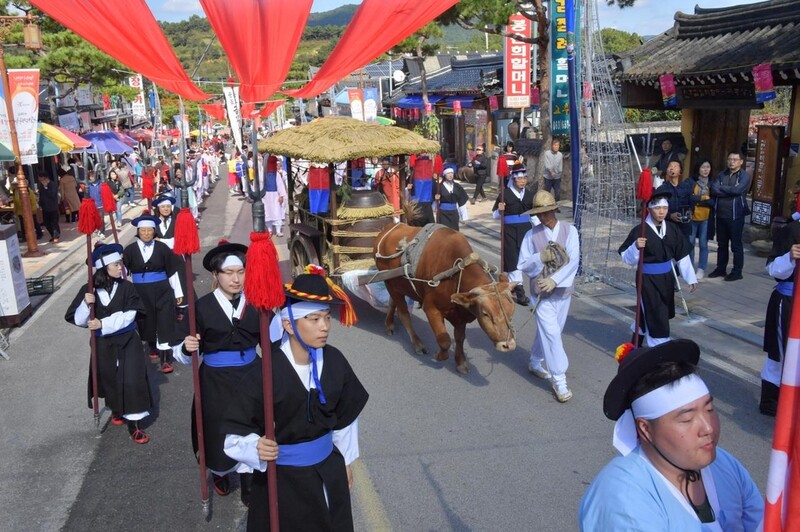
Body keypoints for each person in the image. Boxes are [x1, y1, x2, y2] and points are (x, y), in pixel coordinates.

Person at [221, 267, 369, 531]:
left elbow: (345, 420)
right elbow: (233, 434)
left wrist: (345, 461)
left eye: (326, 317)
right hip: (284, 481)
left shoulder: (335, 361)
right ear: (289, 324)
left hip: (329, 471)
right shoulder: (265, 373)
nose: (324, 327)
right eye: (313, 319)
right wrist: (256, 447)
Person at [579, 339, 763, 530]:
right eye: (687, 419)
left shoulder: (725, 464)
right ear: (645, 429)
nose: (708, 428)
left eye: (709, 410)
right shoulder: (622, 499)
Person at [178, 241, 259, 503]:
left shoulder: (258, 304)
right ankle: (221, 471)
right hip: (215, 381)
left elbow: (273, 344)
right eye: (229, 273)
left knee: (252, 428)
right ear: (216, 276)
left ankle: (249, 483)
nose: (236, 279)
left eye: (241, 272)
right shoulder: (202, 307)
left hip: (250, 375)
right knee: (218, 430)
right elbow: (186, 354)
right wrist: (187, 347)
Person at [64, 243, 153, 444]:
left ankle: (135, 424)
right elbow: (77, 320)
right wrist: (86, 304)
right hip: (103, 343)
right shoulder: (88, 290)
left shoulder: (127, 287)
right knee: (109, 379)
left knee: (132, 378)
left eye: (120, 263)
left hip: (128, 340)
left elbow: (131, 314)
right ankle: (117, 409)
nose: (120, 267)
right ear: (104, 268)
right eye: (116, 264)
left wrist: (103, 323)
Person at [517, 190, 579, 403]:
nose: (544, 217)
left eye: (547, 212)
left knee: (550, 332)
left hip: (562, 292)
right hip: (540, 295)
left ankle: (535, 360)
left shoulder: (571, 231)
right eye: (540, 213)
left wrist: (555, 280)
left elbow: (573, 262)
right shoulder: (531, 235)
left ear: (555, 209)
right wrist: (539, 258)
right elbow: (523, 264)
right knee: (552, 334)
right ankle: (560, 381)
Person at [618, 185, 697, 347]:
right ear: (650, 209)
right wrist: (635, 247)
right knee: (656, 315)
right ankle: (659, 350)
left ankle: (634, 344)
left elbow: (682, 254)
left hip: (667, 279)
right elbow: (626, 258)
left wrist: (690, 278)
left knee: (656, 312)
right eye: (658, 208)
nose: (661, 212)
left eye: (665, 208)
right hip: (647, 280)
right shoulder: (640, 230)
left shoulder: (673, 229)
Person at [122, 214, 183, 373]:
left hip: (162, 289)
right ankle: (151, 345)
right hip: (140, 292)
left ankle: (166, 358)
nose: (147, 233)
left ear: (154, 232)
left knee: (164, 321)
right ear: (138, 231)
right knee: (146, 320)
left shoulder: (163, 248)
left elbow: (172, 271)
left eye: (150, 230)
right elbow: (123, 272)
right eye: (143, 230)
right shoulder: (130, 250)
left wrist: (178, 293)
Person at [759, 211, 800, 416]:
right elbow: (773, 269)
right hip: (788, 302)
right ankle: (770, 401)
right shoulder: (790, 231)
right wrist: (789, 257)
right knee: (779, 354)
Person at [493, 162, 535, 306]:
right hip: (509, 232)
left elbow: (534, 215)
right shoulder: (505, 194)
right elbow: (495, 216)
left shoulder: (530, 195)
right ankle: (521, 294)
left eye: (524, 178)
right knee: (513, 262)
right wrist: (500, 210)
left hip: (526, 231)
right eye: (519, 178)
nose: (522, 181)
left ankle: (511, 286)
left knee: (528, 260)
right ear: (513, 179)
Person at [708, 151, 751, 282]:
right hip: (721, 214)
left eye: (735, 159)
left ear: (741, 162)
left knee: (736, 245)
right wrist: (729, 190)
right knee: (722, 244)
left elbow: (738, 191)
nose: (732, 161)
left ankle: (737, 271)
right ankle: (721, 269)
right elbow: (714, 189)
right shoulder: (722, 174)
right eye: (730, 159)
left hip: (735, 215)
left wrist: (723, 188)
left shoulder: (744, 176)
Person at [688, 158, 714, 279]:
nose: (705, 170)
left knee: (703, 243)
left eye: (708, 167)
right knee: (691, 242)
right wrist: (704, 198)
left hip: (706, 218)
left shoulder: (712, 183)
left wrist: (698, 199)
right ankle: (690, 267)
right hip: (692, 216)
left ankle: (701, 268)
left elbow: (713, 201)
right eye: (703, 167)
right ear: (698, 168)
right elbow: (690, 198)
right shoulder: (691, 182)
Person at [663, 160, 693, 240]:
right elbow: (658, 208)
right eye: (670, 166)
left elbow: (691, 203)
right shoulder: (662, 189)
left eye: (675, 166)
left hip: (684, 226)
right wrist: (670, 216)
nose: (672, 168)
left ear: (680, 172)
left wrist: (690, 212)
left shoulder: (686, 187)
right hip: (668, 225)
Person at [435, 165, 469, 231]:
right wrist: (436, 199)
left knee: (454, 232)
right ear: (444, 175)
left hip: (454, 213)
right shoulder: (439, 187)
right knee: (444, 232)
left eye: (452, 173)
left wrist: (464, 217)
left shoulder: (457, 187)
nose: (450, 175)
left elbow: (462, 202)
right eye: (448, 173)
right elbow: (434, 201)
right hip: (443, 213)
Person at [261, 154, 288, 237]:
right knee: (267, 212)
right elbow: (259, 184)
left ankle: (278, 230)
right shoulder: (262, 173)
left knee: (277, 212)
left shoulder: (276, 174)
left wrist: (281, 196)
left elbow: (280, 185)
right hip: (265, 196)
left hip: (275, 195)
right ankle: (269, 230)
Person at [37, 174, 61, 243]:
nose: (41, 181)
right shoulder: (41, 185)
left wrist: (46, 187)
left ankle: (56, 236)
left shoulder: (52, 185)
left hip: (53, 207)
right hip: (45, 208)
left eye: (42, 180)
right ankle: (53, 235)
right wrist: (40, 204)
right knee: (46, 223)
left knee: (54, 222)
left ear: (46, 178)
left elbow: (52, 195)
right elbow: (41, 196)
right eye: (40, 180)